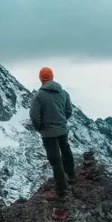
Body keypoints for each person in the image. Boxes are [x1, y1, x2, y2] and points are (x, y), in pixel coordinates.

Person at [29, 67, 76, 198]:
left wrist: (40, 128)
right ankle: (71, 175)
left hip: (48, 133)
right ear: (52, 77)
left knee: (55, 159)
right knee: (66, 149)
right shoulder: (64, 93)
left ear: (40, 79)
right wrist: (61, 121)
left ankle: (62, 189)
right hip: (62, 129)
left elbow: (34, 115)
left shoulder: (39, 96)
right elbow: (69, 111)